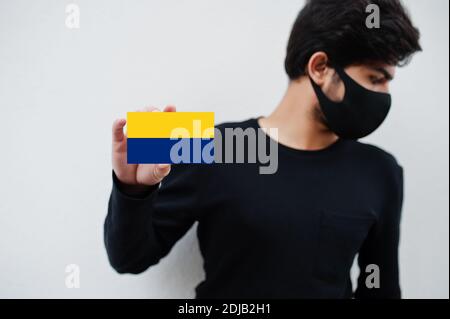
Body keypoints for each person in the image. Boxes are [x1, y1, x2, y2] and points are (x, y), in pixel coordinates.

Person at [104, 0, 421, 299]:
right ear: (320, 67)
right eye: (375, 79)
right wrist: (133, 189)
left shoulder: (381, 171)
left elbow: (381, 292)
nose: (385, 94)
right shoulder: (209, 143)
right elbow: (128, 258)